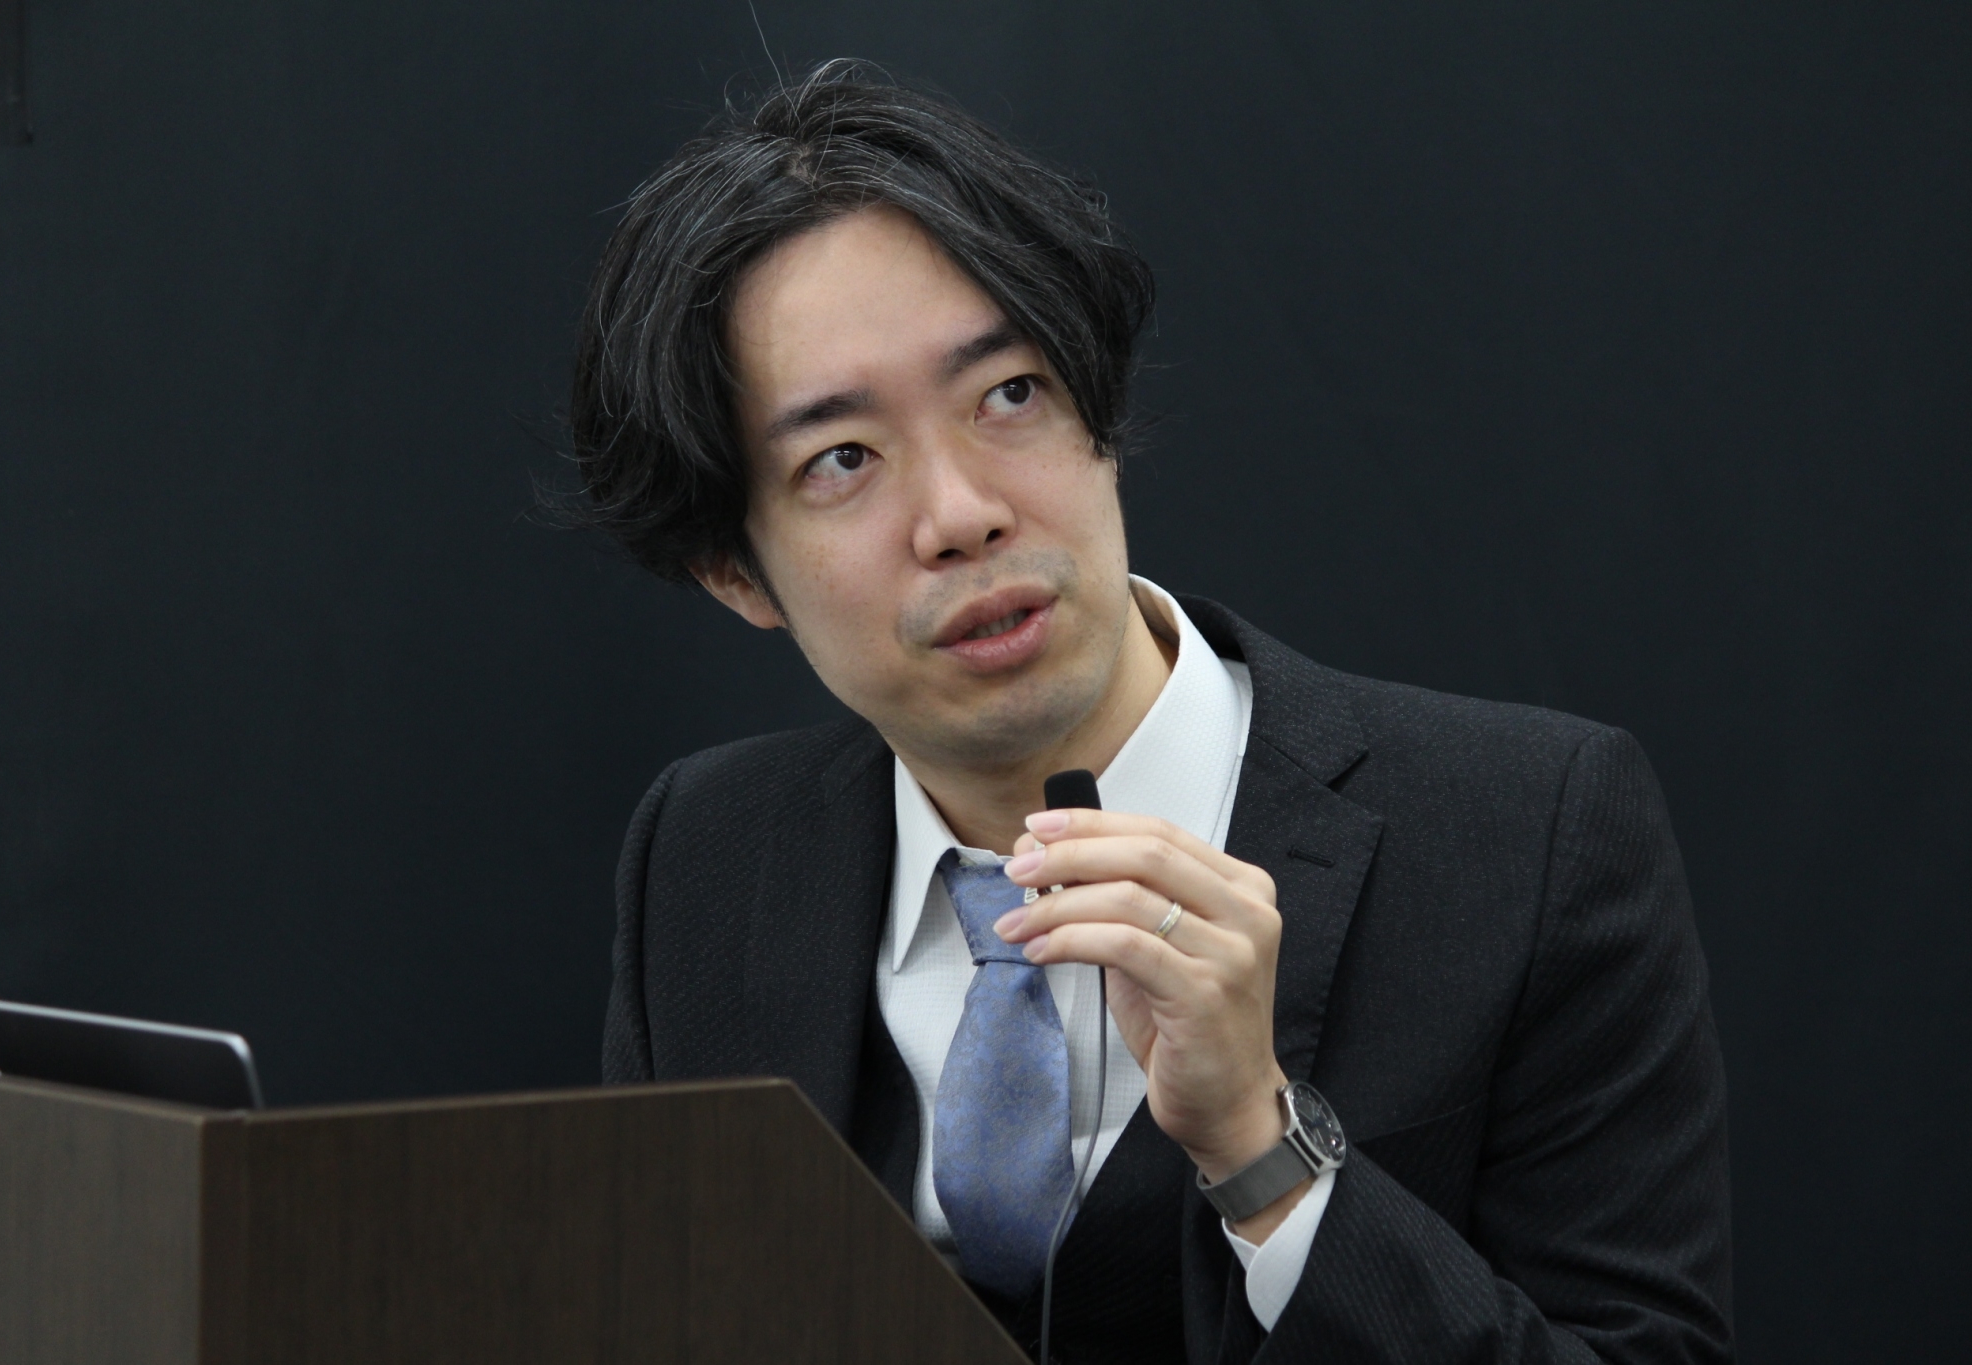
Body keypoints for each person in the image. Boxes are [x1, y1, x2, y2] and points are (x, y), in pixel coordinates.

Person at [572, 62, 1731, 1364]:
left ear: (1101, 406)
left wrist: (1264, 1151)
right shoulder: (704, 854)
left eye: (1010, 393)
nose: (962, 514)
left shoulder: (1532, 834)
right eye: (842, 459)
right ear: (733, 573)